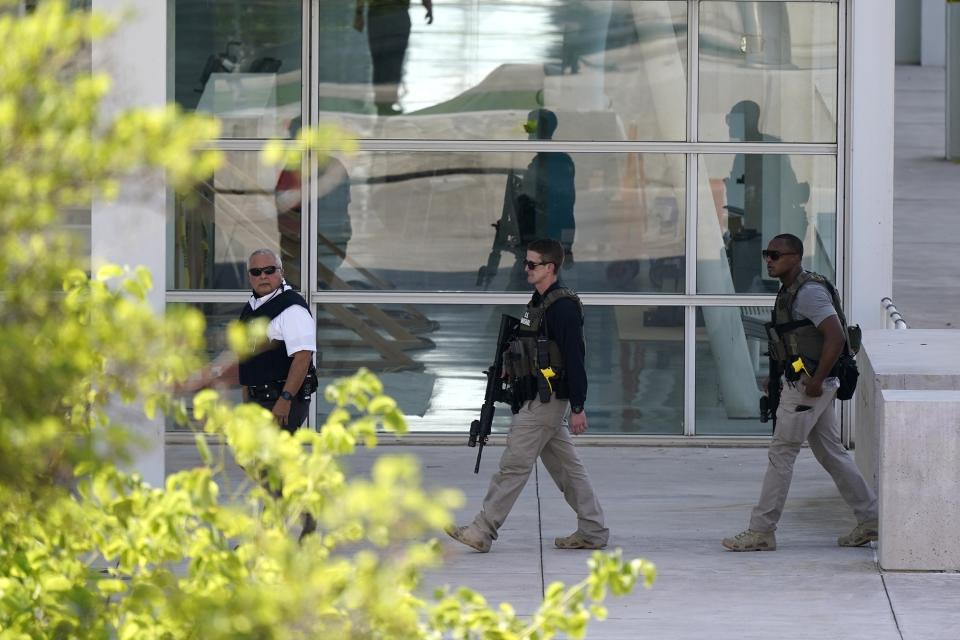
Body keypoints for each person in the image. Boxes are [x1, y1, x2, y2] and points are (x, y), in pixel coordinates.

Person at [447, 238, 608, 553]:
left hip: (545, 401)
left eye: (532, 264)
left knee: (514, 465)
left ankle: (482, 530)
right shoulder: (538, 302)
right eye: (525, 263)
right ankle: (593, 530)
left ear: (550, 267)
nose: (526, 269)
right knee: (567, 470)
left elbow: (575, 359)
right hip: (535, 397)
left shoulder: (562, 308)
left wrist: (578, 405)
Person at [721, 234, 878, 552]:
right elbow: (793, 340)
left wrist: (817, 381)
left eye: (776, 255)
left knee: (782, 453)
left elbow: (834, 336)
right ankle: (871, 519)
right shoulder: (792, 291)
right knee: (832, 453)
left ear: (796, 257)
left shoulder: (809, 294)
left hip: (809, 387)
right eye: (767, 254)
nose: (769, 260)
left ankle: (762, 530)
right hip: (805, 382)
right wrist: (775, 376)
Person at [354, 0, 433, 116]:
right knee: (394, 62)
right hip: (397, 16)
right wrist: (428, 7)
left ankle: (382, 103)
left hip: (377, 17)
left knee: (379, 62)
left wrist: (358, 14)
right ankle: (387, 102)